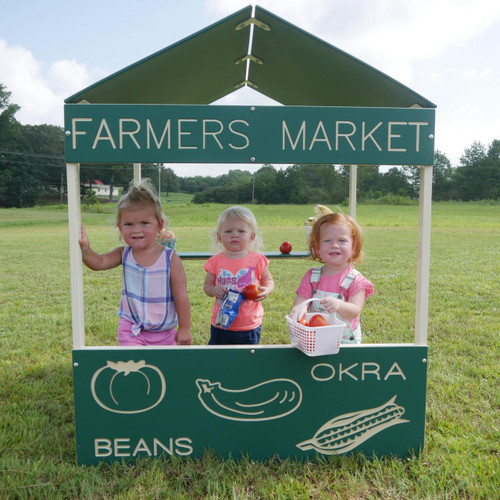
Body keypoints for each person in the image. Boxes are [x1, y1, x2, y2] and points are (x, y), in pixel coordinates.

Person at [78, 180, 192, 346]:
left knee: (165, 370)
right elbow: (99, 263)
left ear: (159, 225)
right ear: (120, 227)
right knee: (134, 367)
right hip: (131, 329)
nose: (136, 229)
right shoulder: (123, 253)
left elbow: (181, 296)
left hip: (165, 332)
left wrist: (185, 328)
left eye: (144, 223)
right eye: (129, 224)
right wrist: (87, 250)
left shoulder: (170, 259)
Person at [291, 211, 373, 344]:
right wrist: (298, 309)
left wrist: (339, 305)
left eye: (342, 240)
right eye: (327, 240)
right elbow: (302, 299)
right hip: (315, 338)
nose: (334, 245)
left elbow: (354, 311)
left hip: (344, 341)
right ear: (317, 247)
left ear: (354, 247)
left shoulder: (356, 280)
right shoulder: (312, 276)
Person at [203, 206, 274, 345]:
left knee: (247, 361)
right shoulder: (215, 261)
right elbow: (207, 286)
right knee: (220, 359)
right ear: (219, 237)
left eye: (241, 231)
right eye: (228, 231)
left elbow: (268, 280)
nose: (234, 235)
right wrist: (213, 290)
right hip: (222, 323)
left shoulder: (257, 260)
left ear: (252, 236)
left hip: (249, 324)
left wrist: (267, 290)